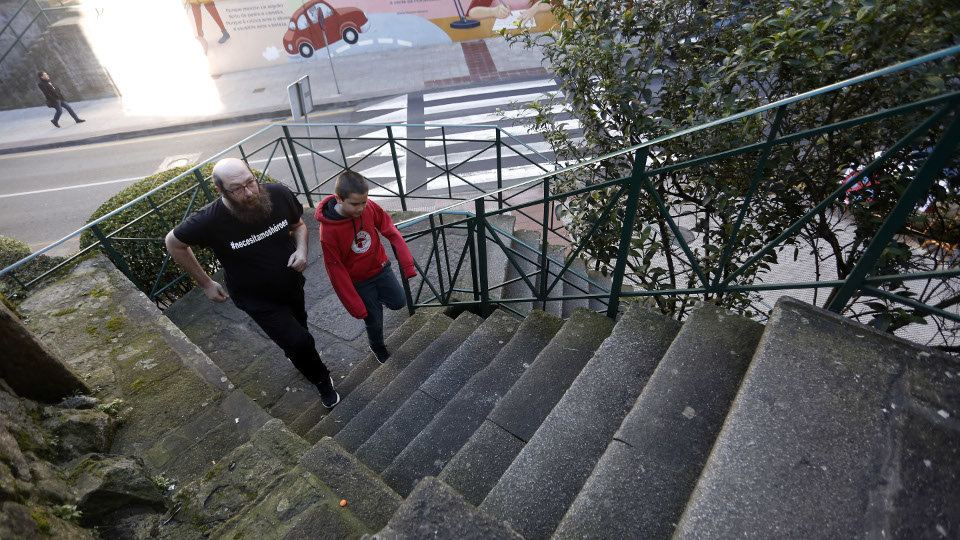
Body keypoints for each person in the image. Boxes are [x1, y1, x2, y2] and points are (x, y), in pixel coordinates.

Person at [164, 158, 340, 408]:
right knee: (299, 341)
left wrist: (301, 250)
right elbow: (173, 243)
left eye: (250, 182)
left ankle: (297, 354)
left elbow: (298, 226)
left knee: (300, 329)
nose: (248, 193)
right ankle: (321, 380)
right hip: (255, 298)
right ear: (221, 191)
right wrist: (205, 283)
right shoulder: (209, 220)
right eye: (237, 189)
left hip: (291, 283)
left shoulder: (278, 194)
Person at [316, 171, 416, 364]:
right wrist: (354, 304)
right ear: (339, 199)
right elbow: (335, 270)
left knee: (399, 302)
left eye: (364, 201)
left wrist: (407, 264)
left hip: (381, 268)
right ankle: (377, 346)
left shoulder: (369, 207)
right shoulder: (328, 232)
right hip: (360, 282)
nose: (361, 207)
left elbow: (389, 229)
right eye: (355, 204)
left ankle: (375, 302)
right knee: (373, 320)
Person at [466, 0, 552, 25]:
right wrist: (493, 11)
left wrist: (535, 8)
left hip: (527, 29)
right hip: (497, 34)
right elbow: (471, 12)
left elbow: (551, 2)